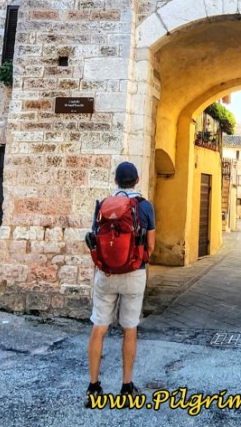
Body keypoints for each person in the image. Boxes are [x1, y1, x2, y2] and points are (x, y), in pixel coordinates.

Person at [85, 161, 155, 407]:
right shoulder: (144, 206)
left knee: (99, 327)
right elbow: (151, 245)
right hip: (134, 273)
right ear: (137, 180)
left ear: (115, 180)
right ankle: (126, 387)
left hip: (106, 274)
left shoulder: (103, 205)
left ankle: (94, 387)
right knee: (130, 328)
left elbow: (96, 238)